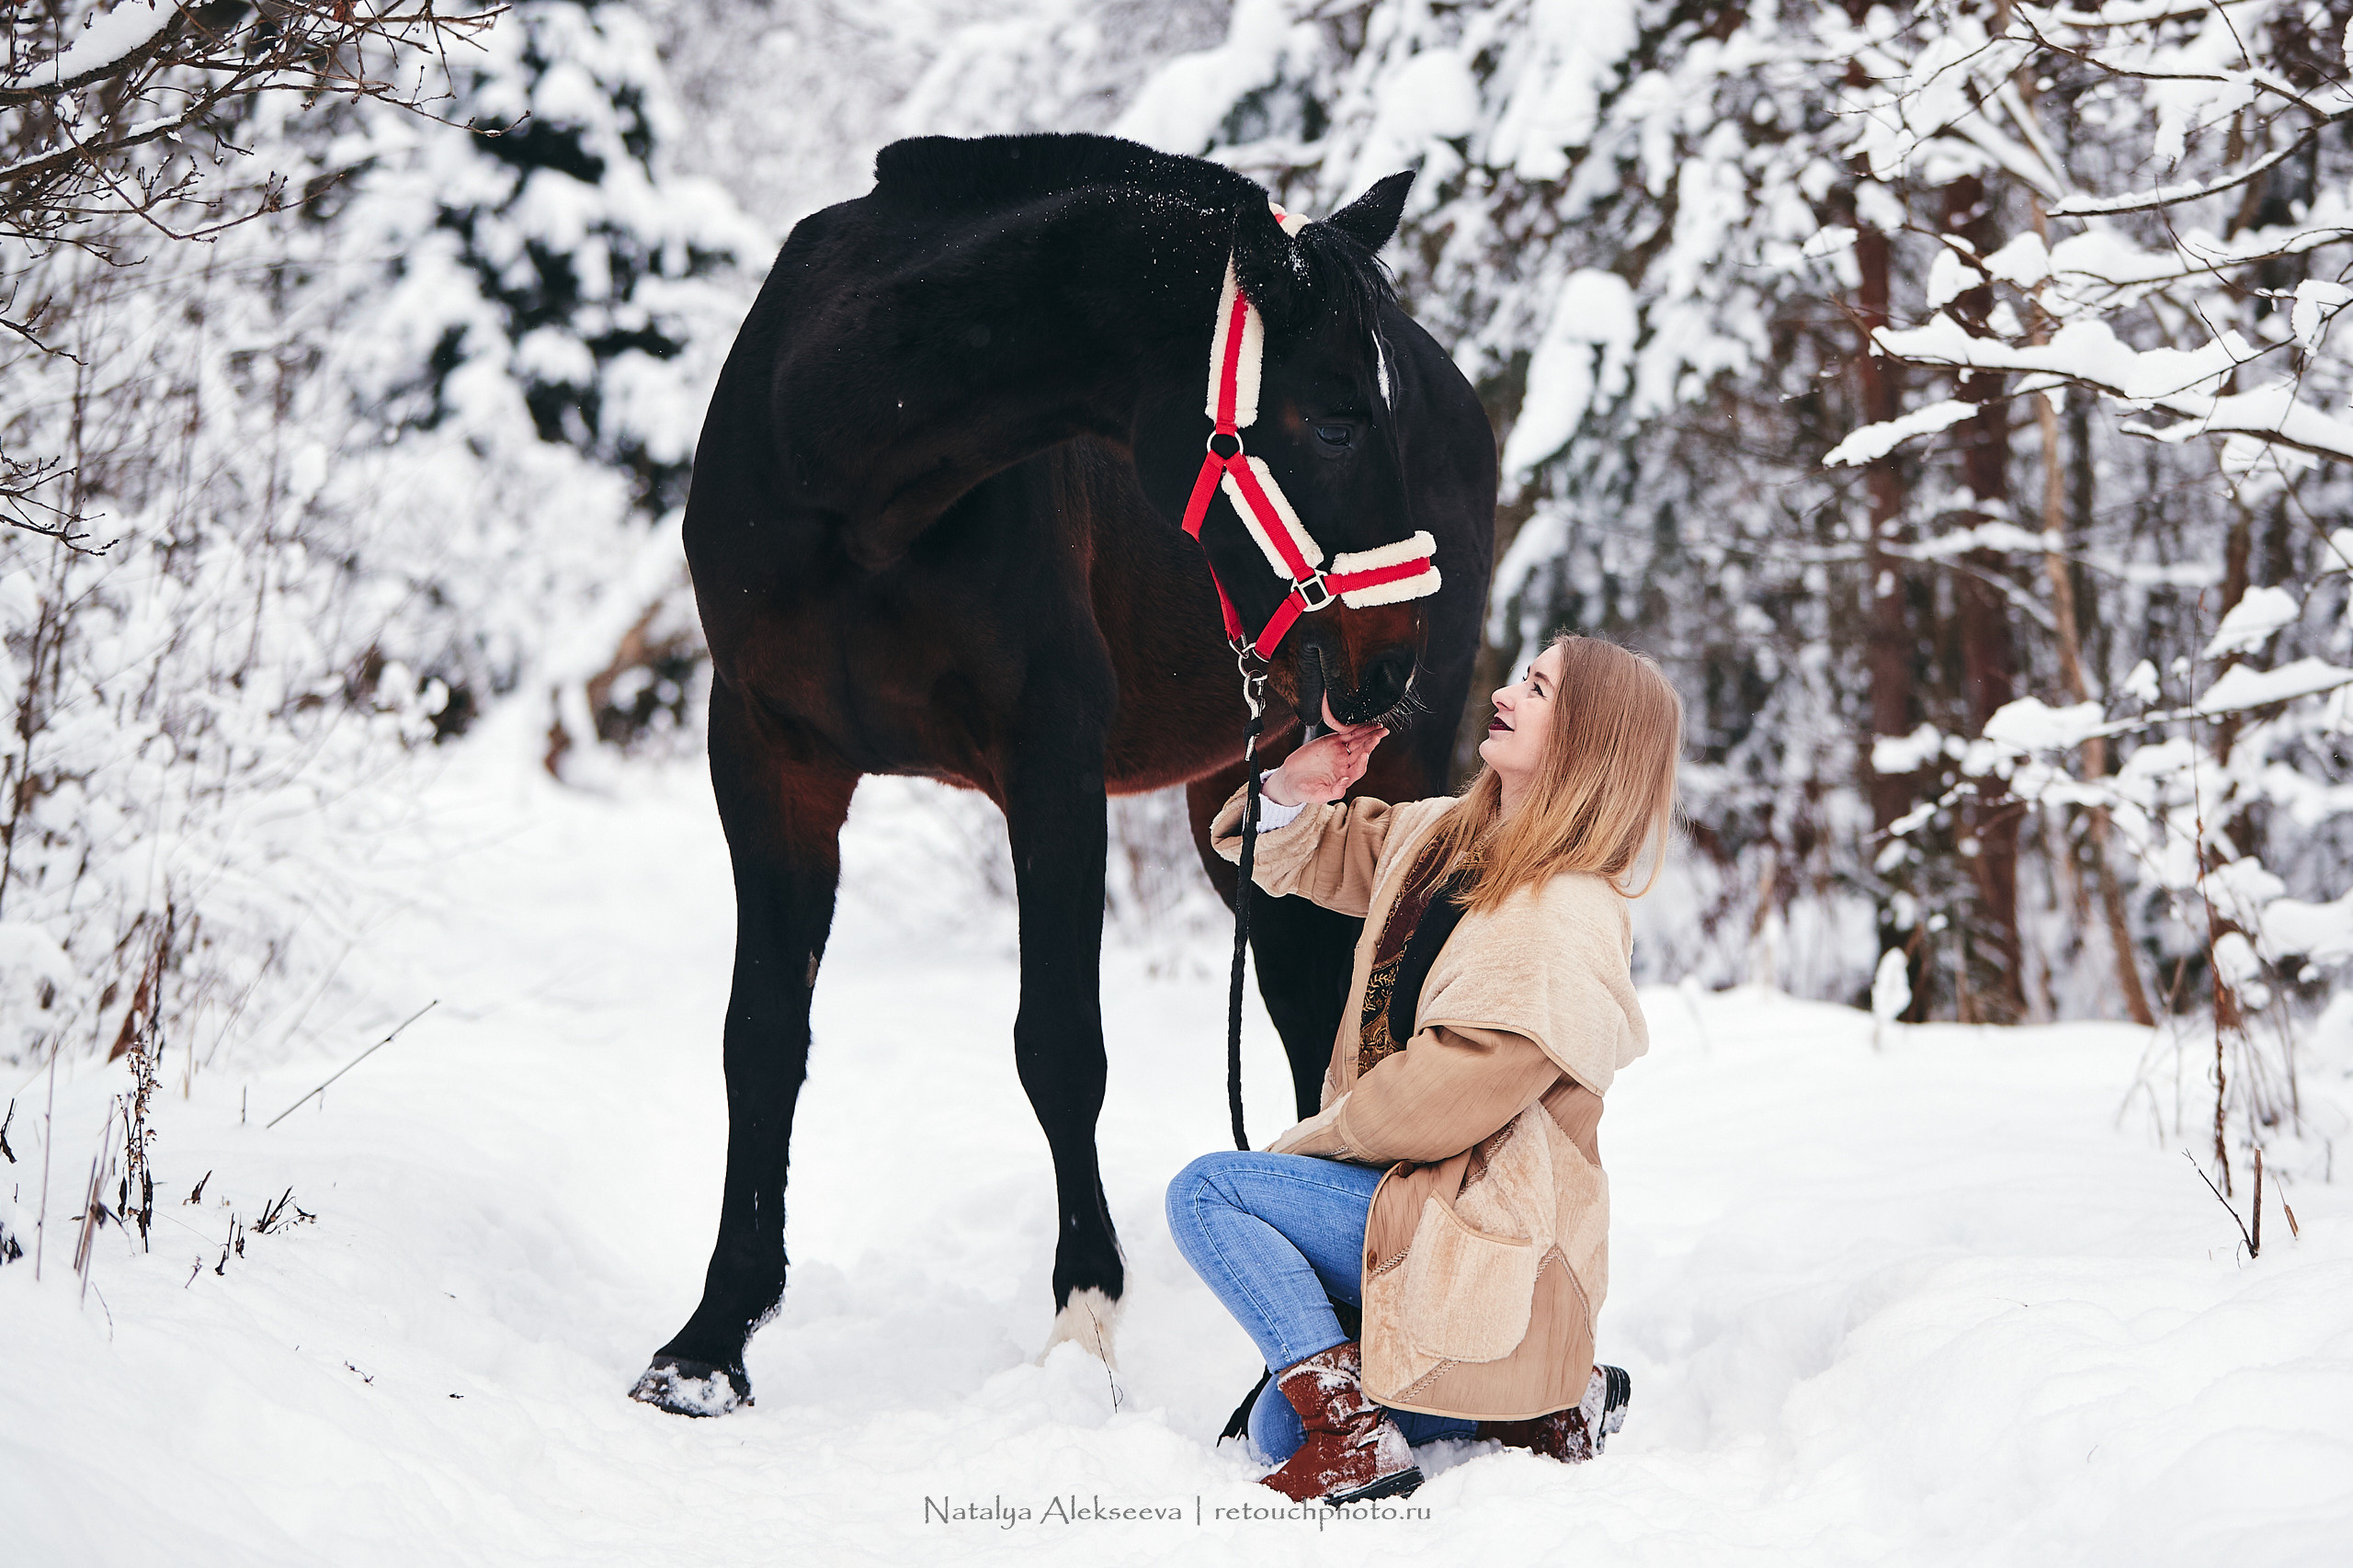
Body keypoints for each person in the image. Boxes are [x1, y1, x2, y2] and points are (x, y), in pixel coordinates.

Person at [1165, 633, 1681, 1506]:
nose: (1508, 696)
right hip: (1413, 1191)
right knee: (1270, 1431)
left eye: (1540, 689)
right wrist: (1298, 785)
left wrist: (1305, 1153)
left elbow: (1449, 1092)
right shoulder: (1444, 835)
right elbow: (1319, 852)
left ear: (1588, 738)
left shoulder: (1568, 913)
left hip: (1481, 1219)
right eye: (1522, 677)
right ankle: (1544, 1404)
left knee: (1211, 1194)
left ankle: (1355, 1436)